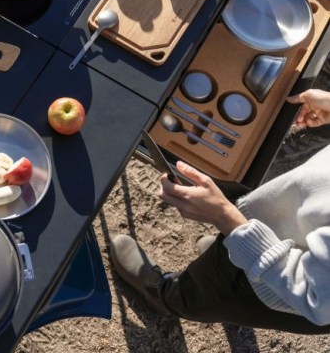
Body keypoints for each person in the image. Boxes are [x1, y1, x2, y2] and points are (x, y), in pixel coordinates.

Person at [109, 88, 330, 333]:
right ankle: (226, 259)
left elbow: (317, 298)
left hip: (283, 283)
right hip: (287, 223)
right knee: (227, 254)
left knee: (206, 292)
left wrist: (228, 220)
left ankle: (166, 296)